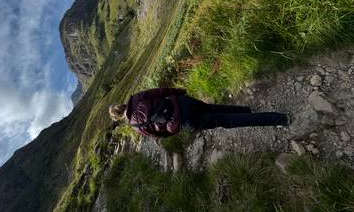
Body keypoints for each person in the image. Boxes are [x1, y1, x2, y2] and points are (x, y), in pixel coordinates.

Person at [109, 87, 289, 139]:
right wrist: (181, 93)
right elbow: (161, 91)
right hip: (181, 102)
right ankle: (247, 110)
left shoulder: (136, 127)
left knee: (226, 121)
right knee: (213, 108)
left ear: (119, 117)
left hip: (184, 122)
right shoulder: (137, 98)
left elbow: (159, 135)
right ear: (121, 105)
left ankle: (279, 119)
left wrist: (174, 129)